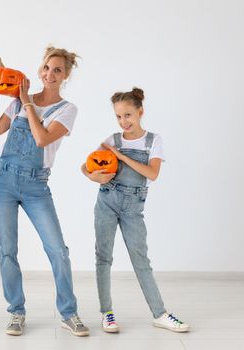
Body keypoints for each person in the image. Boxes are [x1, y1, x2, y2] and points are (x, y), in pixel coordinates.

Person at [0, 47, 89, 337]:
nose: (49, 74)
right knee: (7, 251)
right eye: (46, 68)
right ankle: (16, 312)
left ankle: (69, 312)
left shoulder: (67, 109)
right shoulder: (17, 102)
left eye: (57, 70)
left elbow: (41, 139)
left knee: (58, 250)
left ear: (65, 75)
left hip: (35, 185)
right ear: (40, 69)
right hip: (1, 179)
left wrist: (26, 100)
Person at [81, 87, 190, 333]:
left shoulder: (153, 141)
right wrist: (95, 178)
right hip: (107, 201)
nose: (123, 122)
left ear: (140, 112)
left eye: (128, 115)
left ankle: (160, 314)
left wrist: (120, 156)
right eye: (119, 117)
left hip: (133, 208)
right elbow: (85, 167)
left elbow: (152, 173)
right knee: (103, 258)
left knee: (141, 260)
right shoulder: (112, 140)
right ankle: (106, 313)